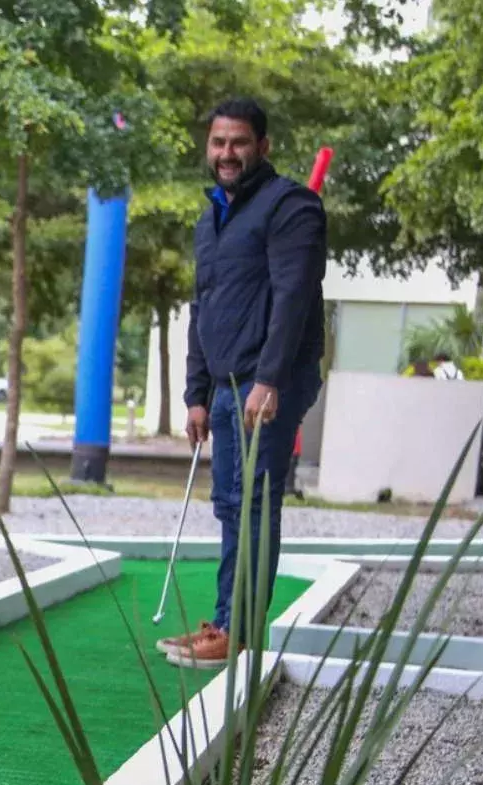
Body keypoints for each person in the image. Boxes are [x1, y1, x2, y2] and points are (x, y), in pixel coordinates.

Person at [160, 98, 328, 670]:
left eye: (239, 142)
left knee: (254, 504)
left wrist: (270, 380)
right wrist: (195, 394)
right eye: (218, 143)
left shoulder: (292, 207)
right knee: (233, 505)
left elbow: (293, 298)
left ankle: (238, 630)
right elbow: (203, 307)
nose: (227, 153)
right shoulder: (209, 219)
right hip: (225, 385)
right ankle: (226, 622)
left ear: (263, 145)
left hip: (268, 384)